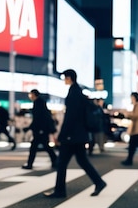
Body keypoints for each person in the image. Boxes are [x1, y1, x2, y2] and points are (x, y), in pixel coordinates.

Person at [43, 69, 107, 198]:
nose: (64, 80)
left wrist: (61, 135)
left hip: (72, 136)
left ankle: (60, 191)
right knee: (81, 161)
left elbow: (70, 117)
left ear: (69, 78)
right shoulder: (79, 92)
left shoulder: (73, 93)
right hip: (79, 135)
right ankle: (99, 182)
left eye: (65, 78)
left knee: (62, 163)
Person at [22, 89, 58, 170]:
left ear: (34, 94)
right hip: (42, 129)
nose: (30, 96)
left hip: (40, 129)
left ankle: (30, 164)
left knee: (35, 147)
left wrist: (29, 128)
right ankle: (55, 160)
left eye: (30, 95)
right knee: (45, 146)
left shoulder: (38, 102)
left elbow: (38, 118)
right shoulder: (41, 102)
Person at [121, 92, 138, 166]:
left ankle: (130, 160)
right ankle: (129, 160)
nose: (131, 99)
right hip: (136, 129)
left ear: (134, 98)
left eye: (132, 97)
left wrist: (127, 114)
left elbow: (136, 116)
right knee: (134, 146)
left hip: (137, 129)